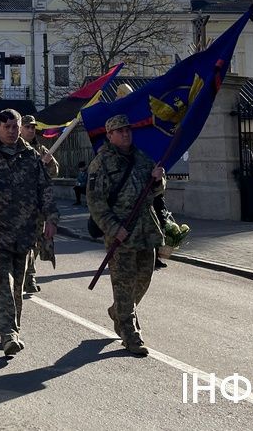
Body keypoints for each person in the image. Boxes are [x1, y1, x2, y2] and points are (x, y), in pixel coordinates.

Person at [0, 109, 57, 356]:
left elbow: (45, 189)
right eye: (7, 127)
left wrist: (51, 217)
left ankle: (14, 329)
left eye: (15, 126)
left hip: (26, 232)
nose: (12, 131)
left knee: (18, 287)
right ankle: (8, 334)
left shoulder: (31, 155)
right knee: (3, 284)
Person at [87, 114, 166, 357]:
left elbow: (155, 191)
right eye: (119, 131)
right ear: (109, 135)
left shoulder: (141, 157)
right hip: (120, 234)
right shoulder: (101, 163)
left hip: (146, 231)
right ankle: (130, 334)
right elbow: (96, 202)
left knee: (143, 279)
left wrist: (158, 180)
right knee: (123, 284)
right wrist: (113, 228)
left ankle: (118, 311)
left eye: (127, 130)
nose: (125, 134)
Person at [19, 115, 59, 295]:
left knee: (35, 241)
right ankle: (21, 275)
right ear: (21, 128)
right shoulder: (14, 148)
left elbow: (54, 172)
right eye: (27, 127)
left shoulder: (41, 150)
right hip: (17, 206)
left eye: (33, 127)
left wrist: (49, 163)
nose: (30, 130)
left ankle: (29, 276)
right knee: (20, 242)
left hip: (37, 206)